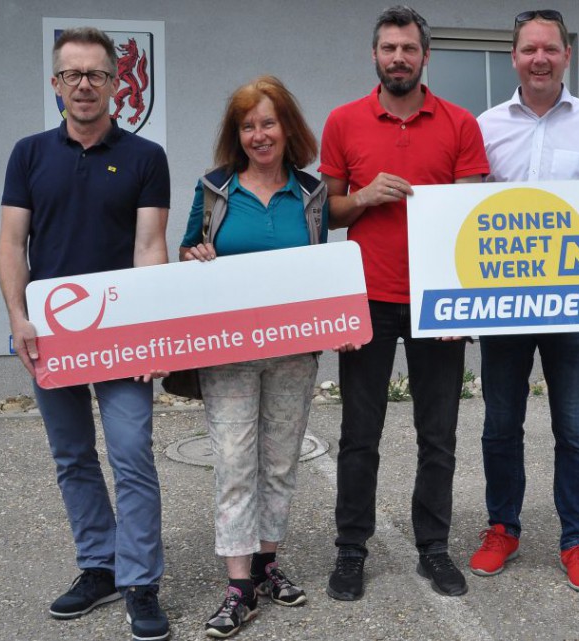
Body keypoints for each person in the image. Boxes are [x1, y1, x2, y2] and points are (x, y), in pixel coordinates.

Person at [0, 27, 171, 641]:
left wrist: (148, 332)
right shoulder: (29, 153)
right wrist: (18, 319)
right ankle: (98, 566)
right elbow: (12, 243)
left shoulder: (147, 157)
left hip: (120, 334)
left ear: (117, 82)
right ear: (56, 84)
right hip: (51, 335)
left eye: (97, 73)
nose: (85, 84)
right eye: (72, 74)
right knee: (72, 457)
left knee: (131, 456)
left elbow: (151, 247)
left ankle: (141, 581)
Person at [318, 5, 490, 601]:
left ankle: (434, 549)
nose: (398, 58)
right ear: (375, 55)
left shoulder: (460, 123)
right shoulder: (343, 121)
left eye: (408, 49)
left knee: (437, 434)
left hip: (436, 302)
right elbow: (328, 212)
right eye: (389, 48)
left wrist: (460, 305)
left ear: (425, 56)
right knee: (359, 434)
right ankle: (350, 549)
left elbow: (469, 219)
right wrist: (363, 196)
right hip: (366, 297)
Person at [469, 9, 579, 593]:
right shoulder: (485, 126)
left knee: (575, 427)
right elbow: (463, 208)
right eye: (528, 49)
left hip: (571, 303)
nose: (539, 58)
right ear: (514, 56)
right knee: (500, 423)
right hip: (504, 301)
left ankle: (577, 539)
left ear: (566, 55)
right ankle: (502, 528)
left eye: (550, 48)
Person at [178, 75, 327, 639]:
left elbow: (322, 270)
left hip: (294, 352)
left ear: (287, 128)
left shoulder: (311, 194)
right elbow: (188, 250)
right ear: (235, 135)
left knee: (282, 462)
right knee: (235, 463)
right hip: (229, 353)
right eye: (248, 126)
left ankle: (267, 565)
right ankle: (238, 585)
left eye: (268, 123)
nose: (259, 135)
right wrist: (196, 254)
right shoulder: (214, 189)